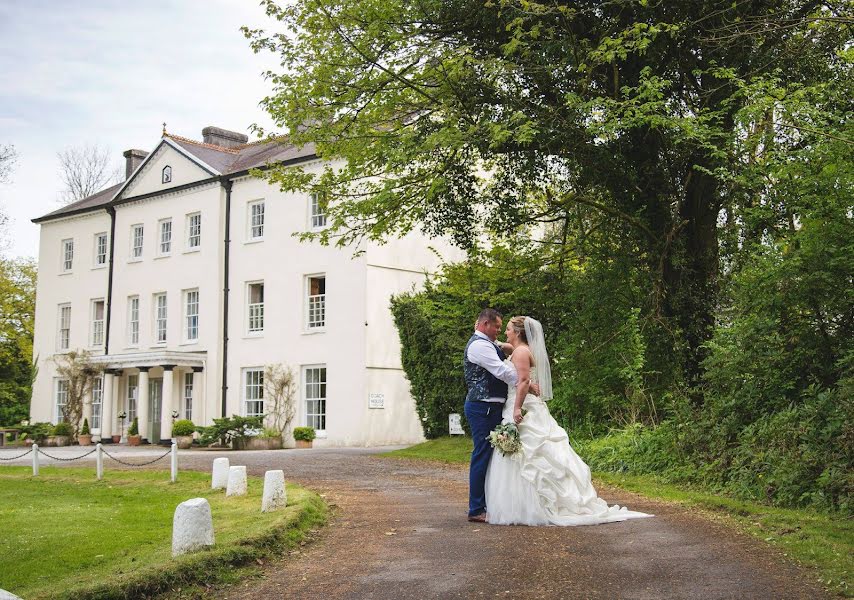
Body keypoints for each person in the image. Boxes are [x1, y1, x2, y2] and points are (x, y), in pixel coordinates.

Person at [484, 315, 653, 526]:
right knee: (526, 454)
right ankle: (526, 505)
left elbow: (524, 380)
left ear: (517, 332)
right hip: (530, 405)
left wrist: (517, 408)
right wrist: (493, 342)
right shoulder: (522, 349)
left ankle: (531, 506)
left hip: (523, 407)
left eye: (508, 329)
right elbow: (512, 352)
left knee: (526, 454)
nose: (505, 332)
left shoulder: (520, 352)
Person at [463, 308, 540, 523]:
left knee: (494, 456)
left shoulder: (489, 344)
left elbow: (505, 348)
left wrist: (514, 348)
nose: (499, 331)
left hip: (494, 407)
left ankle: (491, 503)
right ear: (485, 324)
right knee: (482, 454)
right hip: (482, 407)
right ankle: (476, 508)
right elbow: (502, 371)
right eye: (497, 327)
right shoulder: (479, 346)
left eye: (503, 328)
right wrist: (526, 383)